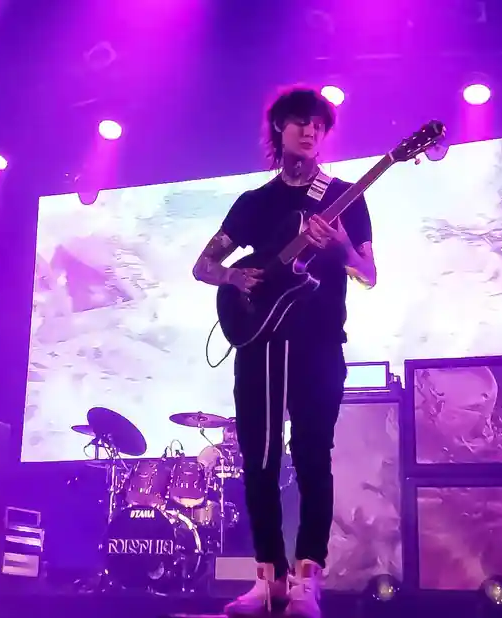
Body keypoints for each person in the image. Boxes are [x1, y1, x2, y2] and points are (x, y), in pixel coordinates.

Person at [192, 86, 376, 618]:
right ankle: (268, 580)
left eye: (318, 124)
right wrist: (234, 275)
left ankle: (307, 582)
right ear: (279, 129)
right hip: (261, 344)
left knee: (314, 456)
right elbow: (203, 266)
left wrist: (339, 245)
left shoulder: (344, 195)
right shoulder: (254, 203)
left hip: (319, 344)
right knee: (261, 461)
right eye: (299, 122)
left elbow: (367, 275)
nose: (310, 130)